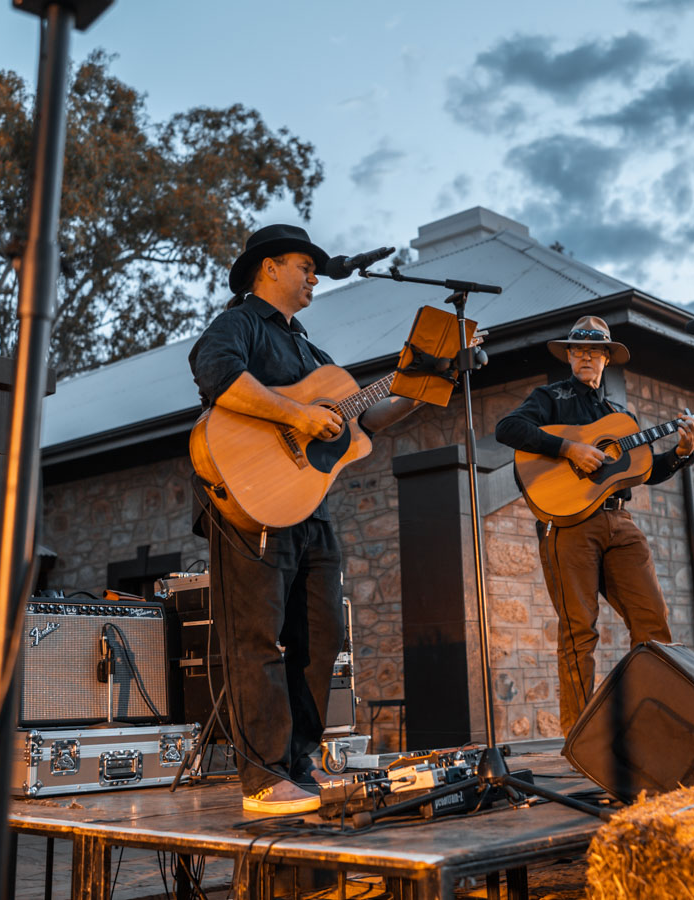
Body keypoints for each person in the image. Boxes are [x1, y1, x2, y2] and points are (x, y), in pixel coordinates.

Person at [188, 224, 423, 814]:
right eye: (304, 265)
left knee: (323, 638)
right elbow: (214, 372)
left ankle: (300, 764)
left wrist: (427, 385)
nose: (315, 276)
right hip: (251, 498)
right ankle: (264, 779)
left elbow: (362, 424)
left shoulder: (314, 354)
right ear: (268, 268)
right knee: (257, 639)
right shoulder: (239, 323)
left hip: (309, 508)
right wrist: (295, 414)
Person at [495, 316, 694, 733]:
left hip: (618, 521)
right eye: (578, 349)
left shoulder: (619, 416)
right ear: (570, 356)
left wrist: (681, 452)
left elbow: (645, 471)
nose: (585, 356)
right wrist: (569, 448)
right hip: (569, 524)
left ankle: (656, 722)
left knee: (653, 622)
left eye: (594, 350)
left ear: (607, 358)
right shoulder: (550, 397)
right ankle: (580, 735)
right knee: (579, 631)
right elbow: (508, 428)